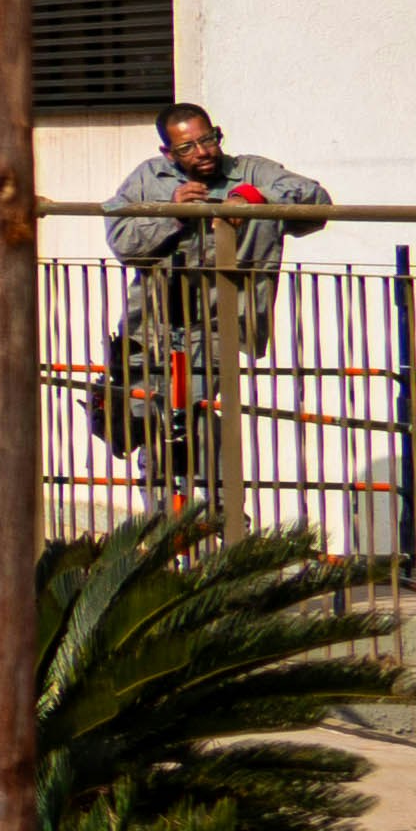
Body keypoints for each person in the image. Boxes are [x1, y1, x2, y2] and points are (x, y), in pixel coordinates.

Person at [108, 105, 333, 529]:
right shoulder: (148, 178)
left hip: (216, 328)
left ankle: (224, 525)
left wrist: (254, 200)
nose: (203, 152)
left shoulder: (251, 171)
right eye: (188, 146)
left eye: (208, 139)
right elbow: (121, 240)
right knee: (146, 427)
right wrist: (170, 214)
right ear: (169, 152)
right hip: (149, 328)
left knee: (191, 415)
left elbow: (317, 202)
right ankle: (163, 533)